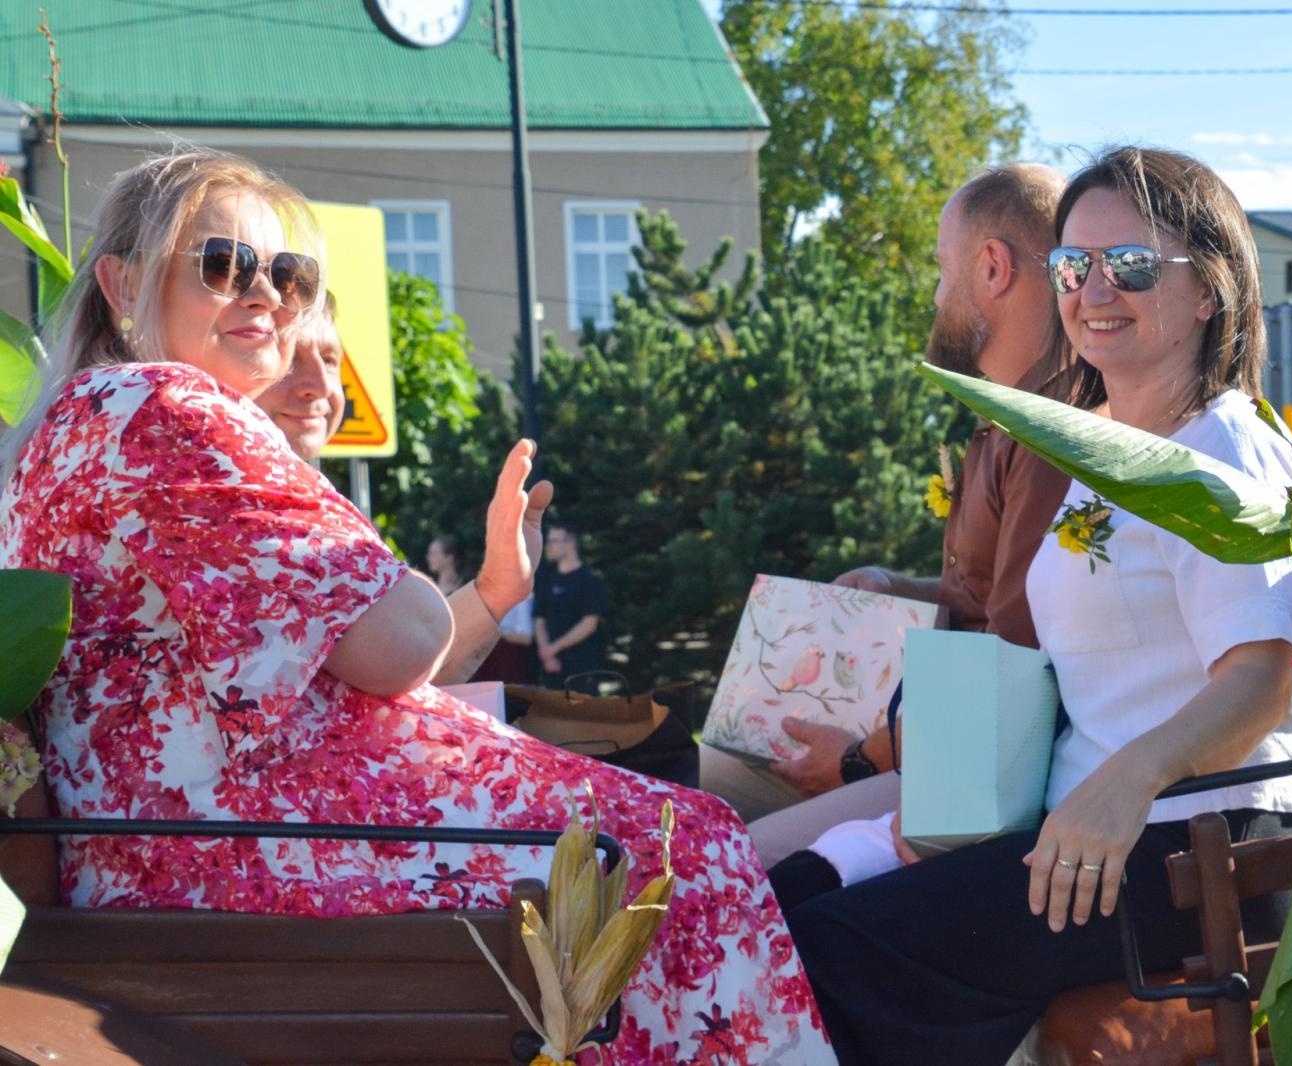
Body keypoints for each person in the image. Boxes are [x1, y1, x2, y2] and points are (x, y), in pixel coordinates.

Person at [0, 148, 834, 1065]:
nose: (268, 296)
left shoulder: (59, 434)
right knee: (690, 851)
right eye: (221, 264)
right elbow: (401, 640)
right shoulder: (166, 403)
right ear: (121, 283)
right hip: (247, 858)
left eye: (290, 274)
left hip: (153, 860)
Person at [783, 146, 1292, 1064]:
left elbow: (1259, 683)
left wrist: (1126, 784)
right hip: (1108, 831)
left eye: (1131, 266)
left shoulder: (1220, 445)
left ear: (1210, 292)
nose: (1094, 290)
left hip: (1203, 843)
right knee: (793, 906)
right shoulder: (1105, 451)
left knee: (830, 954)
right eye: (1075, 266)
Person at [701, 163, 1074, 841]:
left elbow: (1016, 654)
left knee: (722, 859)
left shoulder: (1050, 433)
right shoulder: (1005, 418)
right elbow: (988, 596)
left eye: (941, 269)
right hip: (927, 739)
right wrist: (891, 586)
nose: (935, 297)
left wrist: (854, 757)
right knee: (683, 779)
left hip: (961, 771)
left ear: (992, 268)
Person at [256, 305, 530, 686]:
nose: (319, 383)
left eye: (331, 359)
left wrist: (498, 585)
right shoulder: (230, 501)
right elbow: (401, 659)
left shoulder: (302, 499)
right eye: (288, 358)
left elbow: (398, 681)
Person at [533, 521, 606, 691]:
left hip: (582, 667)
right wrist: (546, 654)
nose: (548, 547)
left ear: (571, 543)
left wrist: (553, 648)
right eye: (548, 541)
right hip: (552, 668)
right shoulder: (547, 581)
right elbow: (539, 619)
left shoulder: (589, 580)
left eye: (554, 541)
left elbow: (589, 623)